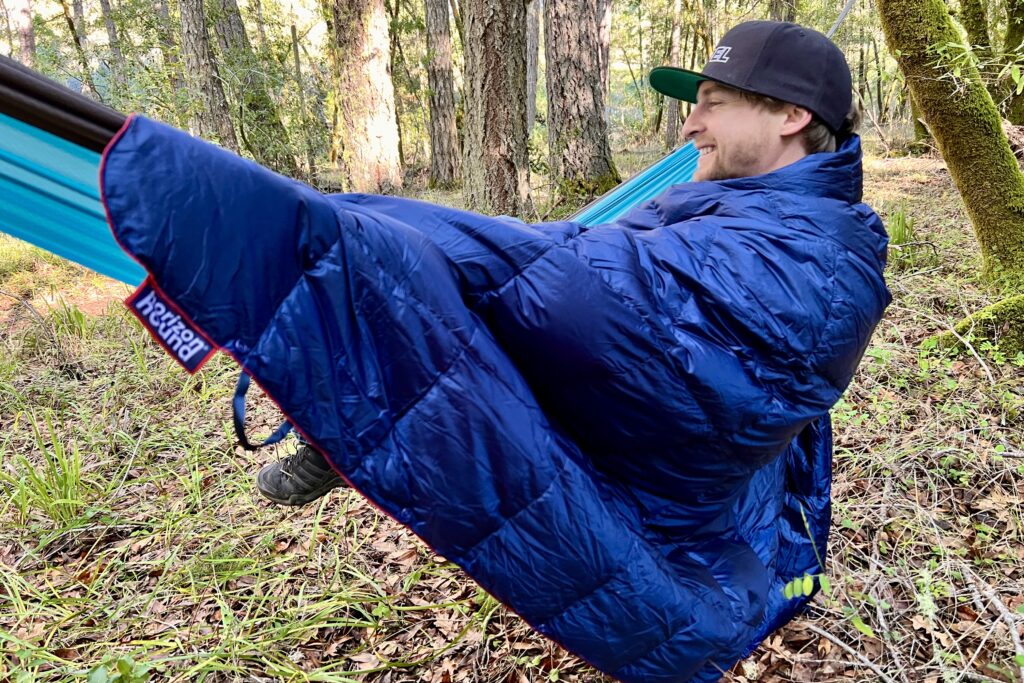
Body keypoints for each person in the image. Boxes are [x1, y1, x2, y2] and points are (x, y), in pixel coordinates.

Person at [103, 20, 890, 682]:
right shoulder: (751, 209)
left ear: (788, 114)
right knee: (469, 299)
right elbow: (608, 264)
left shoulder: (806, 260)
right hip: (639, 410)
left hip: (676, 513)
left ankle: (336, 396)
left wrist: (329, 226)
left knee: (458, 276)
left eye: (712, 105)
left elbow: (597, 294)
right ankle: (338, 408)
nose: (689, 126)